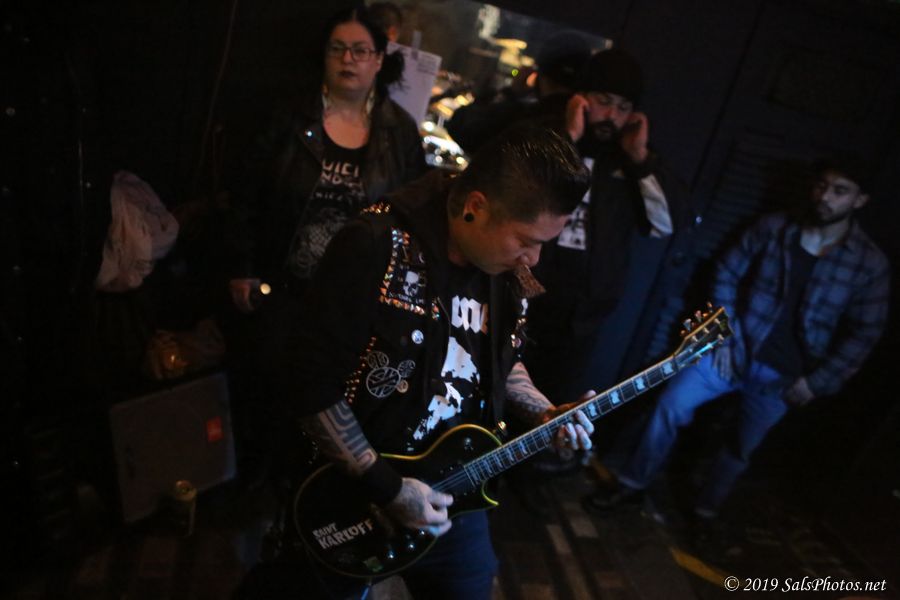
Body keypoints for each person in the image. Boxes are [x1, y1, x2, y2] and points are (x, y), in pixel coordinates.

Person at [234, 126, 595, 599]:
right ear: (476, 206)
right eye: (526, 240)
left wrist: (544, 412)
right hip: (355, 494)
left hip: (456, 485)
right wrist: (389, 488)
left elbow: (500, 358)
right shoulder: (374, 243)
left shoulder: (507, 271)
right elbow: (310, 383)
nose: (534, 258)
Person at [584, 157, 890, 523]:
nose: (825, 197)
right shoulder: (775, 227)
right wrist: (724, 337)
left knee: (740, 448)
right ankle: (632, 483)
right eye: (822, 186)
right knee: (670, 404)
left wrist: (818, 382)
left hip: (785, 376)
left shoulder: (869, 264)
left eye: (840, 191)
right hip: (732, 349)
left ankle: (705, 511)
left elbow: (867, 331)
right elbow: (727, 271)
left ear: (859, 200)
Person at [221, 7, 425, 482]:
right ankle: (254, 491)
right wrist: (241, 265)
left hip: (352, 302)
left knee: (326, 404)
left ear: (379, 59)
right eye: (338, 49)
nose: (348, 59)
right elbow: (245, 197)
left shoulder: (399, 132)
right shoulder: (290, 117)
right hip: (283, 288)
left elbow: (409, 216)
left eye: (360, 50)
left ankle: (302, 493)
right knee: (264, 395)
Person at [524, 46, 691, 410]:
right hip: (523, 297)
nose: (612, 116)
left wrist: (640, 158)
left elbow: (664, 224)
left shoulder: (628, 159)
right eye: (604, 102)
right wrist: (567, 135)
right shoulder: (544, 132)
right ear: (581, 98)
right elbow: (518, 194)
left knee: (551, 406)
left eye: (623, 107)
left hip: (583, 317)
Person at [446, 31, 591, 155]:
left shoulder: (520, 118)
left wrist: (510, 93)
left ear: (539, 75)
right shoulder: (589, 129)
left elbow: (461, 127)